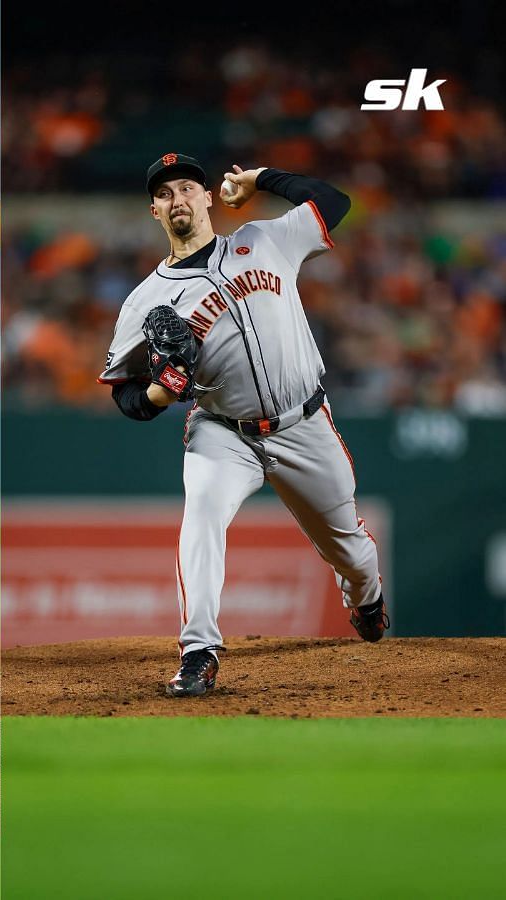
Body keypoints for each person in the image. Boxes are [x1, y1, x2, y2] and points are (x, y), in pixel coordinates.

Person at [98, 153, 387, 698]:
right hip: (222, 431)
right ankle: (198, 652)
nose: (178, 198)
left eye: (188, 186)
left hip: (303, 422)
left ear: (207, 197)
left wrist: (260, 180)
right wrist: (161, 391)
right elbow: (128, 396)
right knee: (201, 519)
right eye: (165, 193)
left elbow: (335, 202)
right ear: (154, 211)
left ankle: (365, 599)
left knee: (349, 549)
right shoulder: (144, 301)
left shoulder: (265, 239)